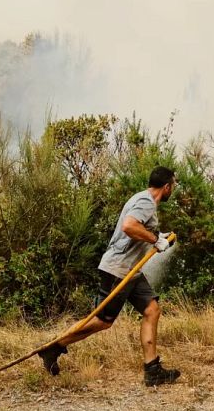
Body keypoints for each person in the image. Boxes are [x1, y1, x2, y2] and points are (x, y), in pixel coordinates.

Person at [38, 165, 181, 387]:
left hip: (132, 272)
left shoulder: (143, 200)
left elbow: (138, 231)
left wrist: (158, 236)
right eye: (174, 185)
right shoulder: (145, 203)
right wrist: (155, 240)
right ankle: (54, 348)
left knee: (152, 310)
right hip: (118, 270)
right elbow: (129, 226)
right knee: (102, 321)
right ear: (167, 186)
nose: (174, 189)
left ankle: (152, 370)